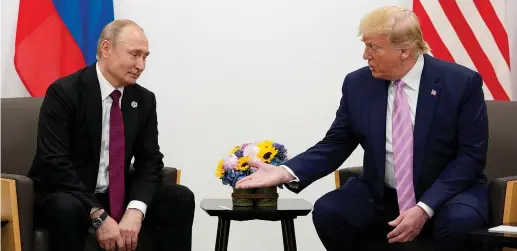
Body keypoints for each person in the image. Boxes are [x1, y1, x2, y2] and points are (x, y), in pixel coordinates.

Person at [236, 6, 488, 251]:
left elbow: (470, 157)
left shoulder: (460, 83)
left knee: (460, 223)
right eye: (365, 45)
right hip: (383, 193)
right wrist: (285, 171)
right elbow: (337, 142)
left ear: (404, 50)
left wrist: (425, 207)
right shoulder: (358, 84)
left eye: (373, 47)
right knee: (330, 212)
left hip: (447, 193)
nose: (365, 55)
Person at [28, 19, 195, 251]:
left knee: (179, 197)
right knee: (65, 207)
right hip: (69, 193)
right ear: (106, 49)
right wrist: (99, 216)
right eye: (134, 54)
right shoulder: (64, 92)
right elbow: (54, 162)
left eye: (145, 56)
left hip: (115, 196)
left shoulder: (144, 100)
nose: (141, 65)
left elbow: (150, 161)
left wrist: (136, 210)